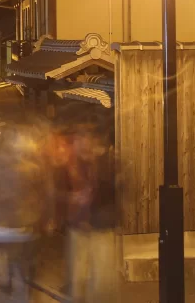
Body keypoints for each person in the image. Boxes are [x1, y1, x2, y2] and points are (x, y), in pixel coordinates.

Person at [0, 127, 49, 303]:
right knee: (17, 279)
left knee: (3, 281)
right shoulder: (29, 169)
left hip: (7, 231)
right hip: (18, 230)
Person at [65, 123, 118, 303]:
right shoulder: (70, 165)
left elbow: (117, 190)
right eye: (78, 138)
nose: (81, 143)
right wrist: (71, 198)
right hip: (78, 227)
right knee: (77, 281)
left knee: (101, 283)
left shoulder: (107, 162)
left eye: (85, 138)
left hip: (101, 228)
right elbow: (55, 192)